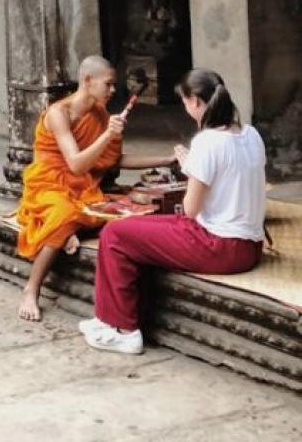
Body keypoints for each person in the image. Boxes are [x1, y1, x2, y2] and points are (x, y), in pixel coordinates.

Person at [81, 68, 265, 354]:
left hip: (219, 246)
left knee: (116, 233)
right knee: (138, 225)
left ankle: (123, 330)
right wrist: (195, 166)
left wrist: (192, 169)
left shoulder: (207, 142)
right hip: (251, 246)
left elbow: (190, 210)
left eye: (184, 102)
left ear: (194, 101)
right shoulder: (251, 134)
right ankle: (108, 319)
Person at [17, 56, 173, 321]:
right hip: (48, 183)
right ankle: (31, 289)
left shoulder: (99, 114)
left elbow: (114, 160)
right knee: (64, 215)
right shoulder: (59, 113)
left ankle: (70, 231)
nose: (113, 91)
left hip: (83, 186)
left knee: (120, 209)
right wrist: (107, 136)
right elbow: (77, 164)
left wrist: (168, 158)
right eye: (109, 84)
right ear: (87, 81)